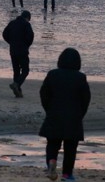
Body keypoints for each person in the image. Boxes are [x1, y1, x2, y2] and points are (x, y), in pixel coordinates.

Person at [39, 47, 91, 182]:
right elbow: (86, 98)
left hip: (54, 113)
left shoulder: (52, 74)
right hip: (73, 116)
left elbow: (44, 94)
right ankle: (67, 174)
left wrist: (49, 109)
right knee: (70, 148)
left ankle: (51, 161)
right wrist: (80, 113)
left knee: (52, 143)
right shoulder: (80, 77)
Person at [3, 10, 34, 98]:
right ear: (27, 18)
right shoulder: (26, 24)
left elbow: (4, 34)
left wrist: (11, 42)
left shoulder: (12, 23)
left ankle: (18, 91)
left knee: (16, 70)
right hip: (22, 50)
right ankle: (17, 84)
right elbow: (30, 37)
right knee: (25, 70)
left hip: (13, 50)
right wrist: (26, 45)